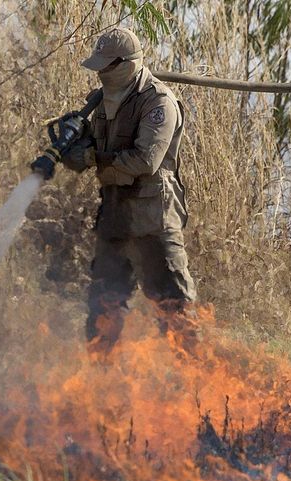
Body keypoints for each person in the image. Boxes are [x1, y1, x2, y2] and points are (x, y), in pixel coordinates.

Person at [60, 27, 197, 353]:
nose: (101, 74)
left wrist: (94, 156)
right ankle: (101, 388)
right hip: (115, 216)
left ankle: (200, 390)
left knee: (174, 309)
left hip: (152, 220)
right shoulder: (102, 102)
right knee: (103, 308)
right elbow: (90, 154)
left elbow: (145, 161)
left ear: (126, 63)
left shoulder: (157, 102)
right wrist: (71, 149)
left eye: (106, 67)